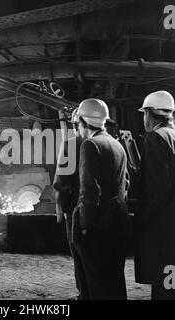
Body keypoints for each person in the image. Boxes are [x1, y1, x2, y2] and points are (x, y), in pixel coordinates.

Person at [72, 98, 131, 300]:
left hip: (98, 226)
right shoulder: (117, 144)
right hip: (118, 221)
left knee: (95, 285)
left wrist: (85, 225)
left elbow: (89, 191)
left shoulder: (90, 145)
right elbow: (126, 184)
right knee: (114, 281)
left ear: (82, 120)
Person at [134, 90, 175, 300]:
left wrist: (140, 220)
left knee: (163, 289)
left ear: (149, 114)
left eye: (144, 114)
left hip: (163, 227)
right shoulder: (173, 135)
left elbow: (156, 189)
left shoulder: (156, 138)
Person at [53, 109, 89, 300]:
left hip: (75, 212)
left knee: (80, 255)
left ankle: (84, 294)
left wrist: (60, 207)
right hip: (103, 214)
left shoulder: (70, 146)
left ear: (77, 124)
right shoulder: (113, 143)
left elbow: (61, 182)